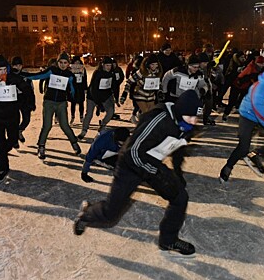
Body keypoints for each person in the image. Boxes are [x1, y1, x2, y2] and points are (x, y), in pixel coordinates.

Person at [73, 90, 203, 257]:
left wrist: (177, 174)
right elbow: (133, 151)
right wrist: (152, 172)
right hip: (130, 165)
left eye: (196, 117)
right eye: (189, 117)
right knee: (110, 213)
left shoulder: (185, 125)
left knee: (180, 197)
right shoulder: (159, 119)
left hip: (153, 163)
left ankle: (168, 240)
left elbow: (178, 149)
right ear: (179, 111)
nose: (193, 121)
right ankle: (87, 214)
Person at [25, 52, 82, 159]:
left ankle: (74, 143)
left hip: (61, 103)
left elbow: (74, 90)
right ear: (57, 62)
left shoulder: (70, 75)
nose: (63, 65)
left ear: (68, 63)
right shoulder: (52, 71)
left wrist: (74, 97)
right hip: (49, 103)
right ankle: (41, 146)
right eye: (61, 62)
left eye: (65, 63)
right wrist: (23, 75)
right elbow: (37, 76)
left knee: (65, 126)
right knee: (47, 125)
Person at [79, 56, 116, 139]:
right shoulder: (98, 73)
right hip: (92, 96)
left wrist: (115, 97)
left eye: (110, 65)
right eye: (107, 65)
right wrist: (98, 104)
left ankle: (103, 124)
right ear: (102, 65)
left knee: (111, 111)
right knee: (89, 114)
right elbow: (93, 89)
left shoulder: (112, 73)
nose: (109, 67)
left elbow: (113, 86)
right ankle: (84, 130)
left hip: (105, 96)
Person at [10, 56, 36, 146]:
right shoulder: (9, 75)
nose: (17, 67)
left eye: (19, 65)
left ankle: (19, 131)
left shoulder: (26, 74)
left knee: (26, 119)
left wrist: (32, 102)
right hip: (14, 99)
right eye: (15, 65)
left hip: (25, 99)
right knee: (14, 120)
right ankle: (14, 140)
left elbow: (31, 88)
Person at [69, 56, 88, 126]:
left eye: (78, 61)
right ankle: (72, 116)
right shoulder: (70, 69)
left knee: (81, 102)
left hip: (80, 88)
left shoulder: (82, 69)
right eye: (75, 61)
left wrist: (85, 88)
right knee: (73, 103)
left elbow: (85, 79)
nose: (77, 63)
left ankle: (81, 116)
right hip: (73, 88)